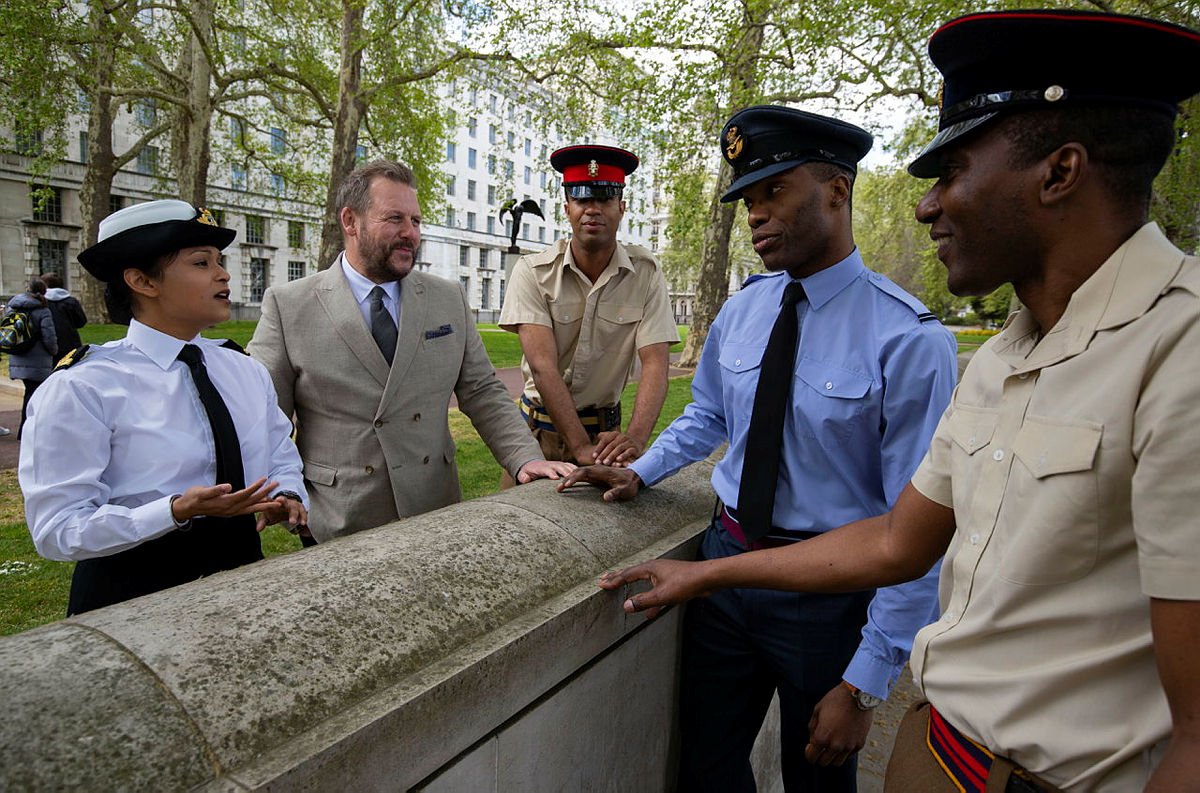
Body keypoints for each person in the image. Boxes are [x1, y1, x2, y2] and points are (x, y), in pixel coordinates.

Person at [585, 10, 1200, 792]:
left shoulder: (1172, 350)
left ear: (1058, 172)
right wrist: (700, 556)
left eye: (953, 172)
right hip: (937, 744)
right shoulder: (1006, 355)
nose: (926, 205)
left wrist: (862, 679)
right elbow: (902, 538)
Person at [562, 107, 958, 791]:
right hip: (724, 564)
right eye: (748, 199)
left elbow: (918, 533)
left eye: (774, 191)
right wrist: (641, 471)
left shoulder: (909, 340)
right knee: (706, 768)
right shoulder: (743, 312)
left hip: (828, 595)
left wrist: (866, 684)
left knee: (819, 776)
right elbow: (708, 416)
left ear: (837, 189)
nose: (755, 215)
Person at [248, 159, 574, 544]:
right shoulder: (288, 306)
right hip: (335, 521)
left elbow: (483, 391)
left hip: (434, 510)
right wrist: (282, 493)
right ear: (350, 221)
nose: (410, 234)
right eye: (395, 219)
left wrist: (525, 458)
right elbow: (266, 420)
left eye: (416, 222)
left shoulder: (447, 297)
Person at [20, 199, 308, 615]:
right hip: (131, 603)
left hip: (244, 594)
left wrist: (287, 495)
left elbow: (281, 456)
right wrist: (171, 512)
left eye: (219, 260)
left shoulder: (244, 371)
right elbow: (58, 529)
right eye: (200, 263)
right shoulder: (85, 386)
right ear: (142, 280)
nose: (223, 273)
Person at [498, 145, 677, 470]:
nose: (592, 210)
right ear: (567, 209)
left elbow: (655, 363)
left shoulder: (646, 274)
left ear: (621, 208)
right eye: (582, 200)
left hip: (607, 436)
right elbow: (543, 368)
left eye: (605, 199)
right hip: (537, 435)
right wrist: (580, 447)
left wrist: (635, 441)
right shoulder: (534, 272)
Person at [7, 278, 58, 439]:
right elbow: (49, 336)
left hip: (17, 355)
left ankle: (26, 430)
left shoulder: (12, 306)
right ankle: (27, 430)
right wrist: (53, 351)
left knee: (30, 392)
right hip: (38, 359)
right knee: (34, 395)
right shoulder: (43, 309)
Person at [39, 271, 87, 364]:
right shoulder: (71, 301)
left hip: (47, 343)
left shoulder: (41, 302)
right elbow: (81, 322)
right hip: (70, 343)